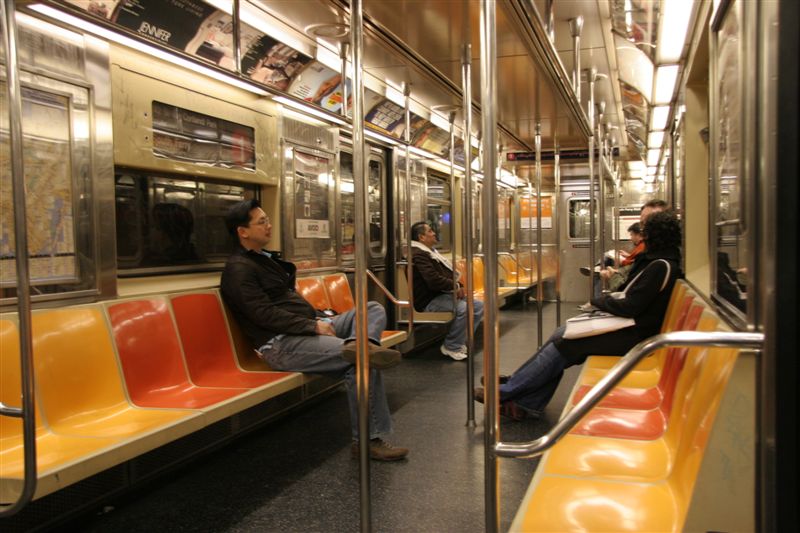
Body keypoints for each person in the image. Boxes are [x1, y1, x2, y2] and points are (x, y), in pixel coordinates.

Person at [220, 199, 408, 461]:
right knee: (362, 362)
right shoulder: (239, 269)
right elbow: (263, 314)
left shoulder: (263, 260)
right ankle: (367, 441)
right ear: (243, 232)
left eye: (267, 220)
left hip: (306, 329)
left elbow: (287, 303)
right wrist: (313, 325)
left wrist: (321, 319)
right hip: (281, 343)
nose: (269, 225)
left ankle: (359, 342)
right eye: (261, 222)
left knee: (373, 308)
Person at [475, 210, 683, 420]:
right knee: (562, 333)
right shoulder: (661, 262)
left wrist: (597, 301)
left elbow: (631, 305)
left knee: (566, 342)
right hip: (634, 328)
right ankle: (523, 398)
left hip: (635, 334)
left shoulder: (659, 266)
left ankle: (508, 391)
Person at [409, 221, 484, 360]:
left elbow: (445, 275)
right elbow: (433, 280)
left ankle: (460, 342)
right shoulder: (419, 255)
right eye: (430, 231)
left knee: (478, 306)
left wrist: (459, 286)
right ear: (421, 238)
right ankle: (451, 346)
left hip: (441, 295)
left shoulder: (431, 253)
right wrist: (455, 287)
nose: (434, 233)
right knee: (464, 308)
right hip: (428, 300)